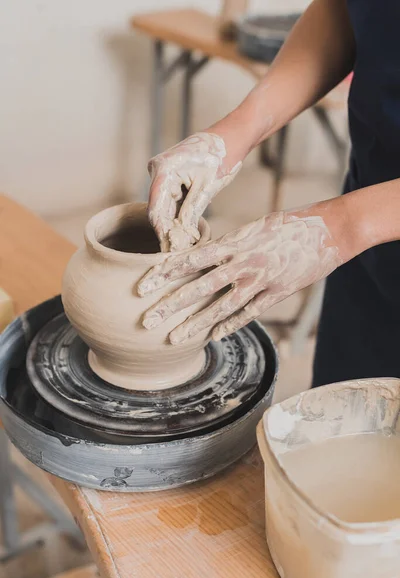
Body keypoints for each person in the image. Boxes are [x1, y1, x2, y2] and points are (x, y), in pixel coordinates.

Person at [138, 0, 400, 388]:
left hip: (365, 223)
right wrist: (236, 131)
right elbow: (351, 11)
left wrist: (344, 224)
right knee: (342, 424)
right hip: (370, 252)